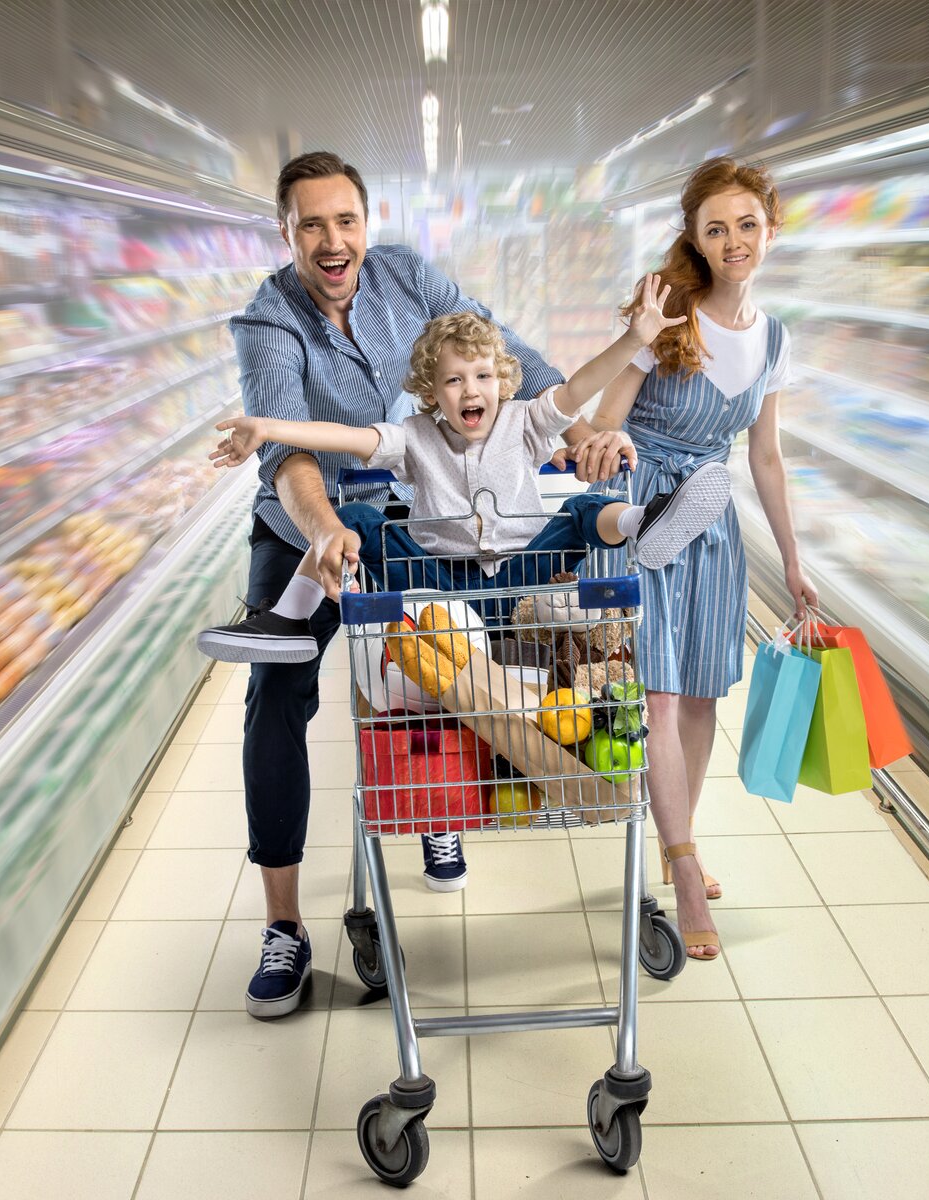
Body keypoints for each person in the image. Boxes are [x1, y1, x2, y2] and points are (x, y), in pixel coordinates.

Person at [220, 150, 629, 1019]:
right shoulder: (266, 323)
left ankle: (433, 801)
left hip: (417, 510)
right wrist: (324, 528)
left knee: (444, 648)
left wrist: (576, 432)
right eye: (312, 225)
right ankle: (284, 926)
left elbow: (505, 356)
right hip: (310, 520)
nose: (334, 243)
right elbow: (287, 452)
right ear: (285, 230)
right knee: (278, 692)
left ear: (366, 223)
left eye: (346, 221)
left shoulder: (406, 276)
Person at [198, 284, 730, 664]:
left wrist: (635, 339)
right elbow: (346, 436)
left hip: (522, 576)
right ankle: (289, 619)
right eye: (453, 380)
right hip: (438, 586)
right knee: (356, 516)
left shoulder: (526, 422)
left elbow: (579, 387)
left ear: (503, 382)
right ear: (431, 392)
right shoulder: (414, 435)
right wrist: (269, 427)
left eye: (482, 376)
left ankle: (646, 520)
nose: (470, 390)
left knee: (581, 510)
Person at [571, 157, 819, 962]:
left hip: (713, 518)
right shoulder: (669, 317)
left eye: (747, 224)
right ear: (697, 239)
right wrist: (605, 443)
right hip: (651, 501)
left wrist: (794, 561)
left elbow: (768, 459)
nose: (734, 240)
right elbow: (612, 414)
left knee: (706, 694)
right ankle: (681, 872)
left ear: (770, 230)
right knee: (665, 698)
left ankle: (683, 839)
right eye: (717, 228)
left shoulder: (775, 341)